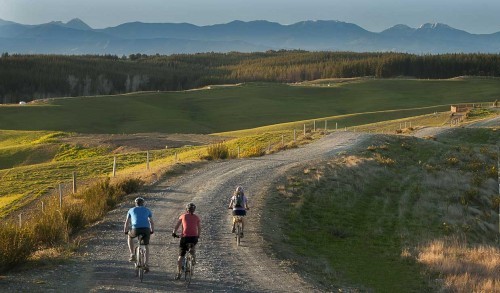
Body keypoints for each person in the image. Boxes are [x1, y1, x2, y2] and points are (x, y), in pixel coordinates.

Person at [123, 197, 154, 272]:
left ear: (135, 203)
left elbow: (127, 222)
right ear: (143, 203)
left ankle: (132, 254)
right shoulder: (147, 210)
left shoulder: (131, 210)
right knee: (146, 246)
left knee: (130, 236)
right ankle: (146, 264)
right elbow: (151, 222)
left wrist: (125, 231)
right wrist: (152, 230)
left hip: (136, 229)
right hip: (146, 229)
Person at [172, 202, 201, 280]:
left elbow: (176, 226)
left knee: (181, 257)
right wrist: (198, 236)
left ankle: (178, 273)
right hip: (194, 238)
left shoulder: (183, 216)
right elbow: (199, 228)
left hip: (185, 238)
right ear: (194, 210)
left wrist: (174, 233)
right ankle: (193, 259)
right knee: (193, 249)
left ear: (186, 210)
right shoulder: (197, 217)